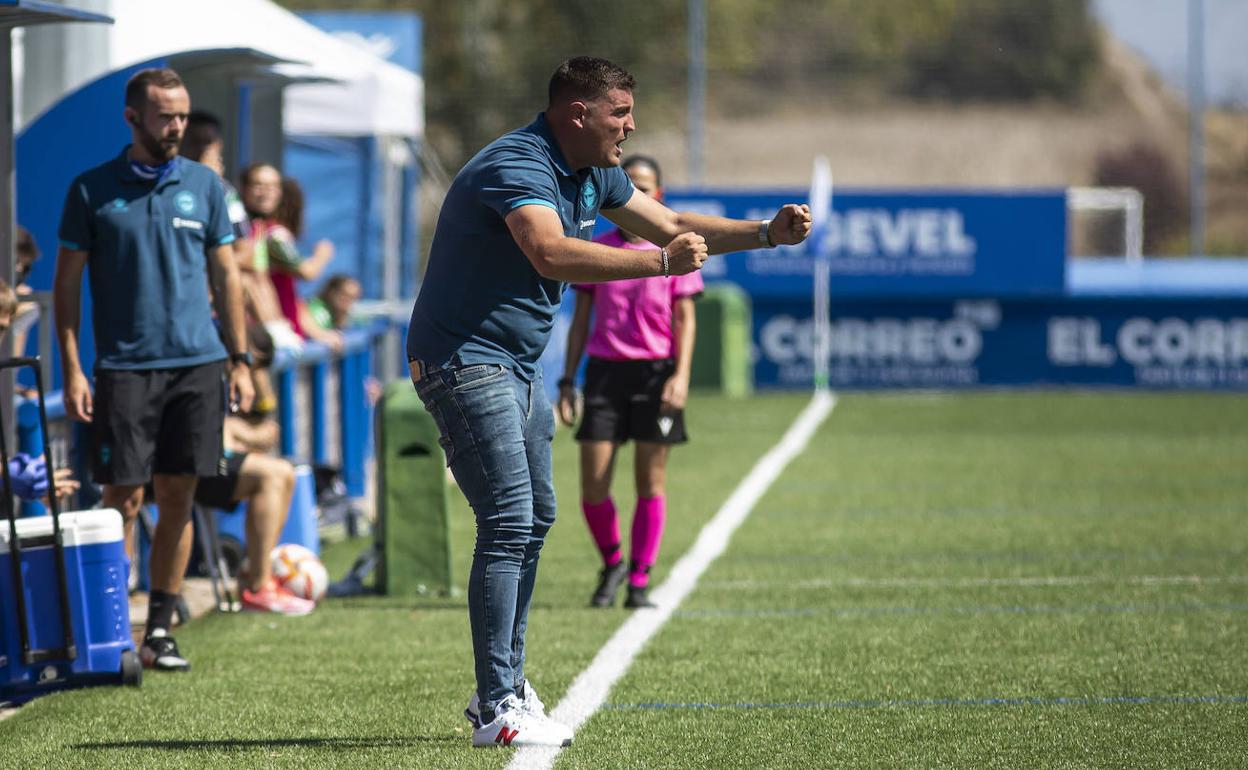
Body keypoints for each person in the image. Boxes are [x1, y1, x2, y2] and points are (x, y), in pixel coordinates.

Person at [406, 56, 811, 749]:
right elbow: (551, 253)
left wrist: (766, 233)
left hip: (516, 364)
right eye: (620, 113)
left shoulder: (596, 172)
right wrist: (659, 263)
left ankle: (501, 686)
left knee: (535, 518)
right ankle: (499, 699)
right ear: (577, 115)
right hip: (465, 359)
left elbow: (672, 221)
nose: (631, 125)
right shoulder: (519, 163)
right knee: (508, 518)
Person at [53, 67, 254, 672]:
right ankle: (109, 624)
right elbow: (66, 286)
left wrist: (239, 360)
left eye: (183, 115)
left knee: (178, 494)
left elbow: (228, 276)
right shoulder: (91, 190)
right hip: (124, 369)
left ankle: (159, 630)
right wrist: (72, 366)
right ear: (132, 118)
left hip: (199, 366)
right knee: (123, 498)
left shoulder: (205, 185)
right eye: (166, 116)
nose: (177, 127)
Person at [557, 155, 699, 610]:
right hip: (603, 375)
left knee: (649, 482)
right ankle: (613, 562)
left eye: (645, 186)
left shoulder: (675, 249)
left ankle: (639, 578)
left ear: (658, 195)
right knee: (593, 486)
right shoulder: (600, 247)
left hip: (656, 375)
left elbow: (685, 319)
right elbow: (580, 320)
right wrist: (567, 380)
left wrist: (680, 377)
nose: (637, 192)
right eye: (628, 185)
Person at [265, 176, 340, 351]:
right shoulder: (275, 234)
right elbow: (307, 271)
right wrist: (322, 255)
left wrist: (320, 334)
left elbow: (294, 300)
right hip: (276, 337)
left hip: (288, 334)